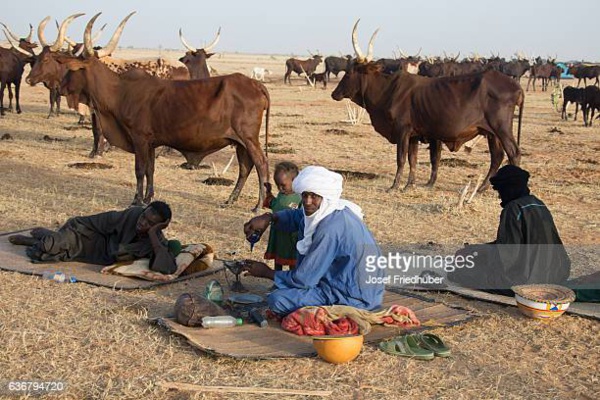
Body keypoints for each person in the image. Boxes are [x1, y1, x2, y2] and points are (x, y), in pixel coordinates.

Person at [242, 166, 385, 316]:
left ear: (324, 196)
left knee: (277, 299)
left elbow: (303, 280)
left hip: (352, 297)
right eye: (304, 196)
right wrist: (269, 218)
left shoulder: (329, 230)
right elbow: (298, 216)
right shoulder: (333, 209)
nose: (307, 202)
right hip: (359, 287)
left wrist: (267, 272)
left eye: (314, 196)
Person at [449, 165, 571, 294]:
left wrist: (476, 252)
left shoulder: (513, 209)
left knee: (462, 271)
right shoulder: (537, 203)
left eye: (500, 192)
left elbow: (507, 256)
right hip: (557, 274)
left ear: (508, 189)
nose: (499, 197)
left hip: (528, 281)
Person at [9, 201, 177, 274]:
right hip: (91, 238)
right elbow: (101, 220)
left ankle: (45, 236)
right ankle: (43, 237)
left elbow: (166, 268)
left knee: (51, 250)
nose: (142, 223)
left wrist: (153, 234)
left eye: (150, 223)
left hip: (99, 255)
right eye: (143, 217)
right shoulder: (133, 214)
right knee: (50, 246)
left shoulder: (158, 242)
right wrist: (74, 226)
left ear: (160, 226)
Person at [262, 161, 301, 271]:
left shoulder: (299, 198)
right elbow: (274, 204)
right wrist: (268, 192)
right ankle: (277, 281)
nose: (280, 188)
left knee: (293, 262)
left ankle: (292, 283)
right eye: (277, 185)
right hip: (278, 235)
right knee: (277, 260)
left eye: (283, 185)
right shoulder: (280, 195)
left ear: (294, 181)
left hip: (291, 237)